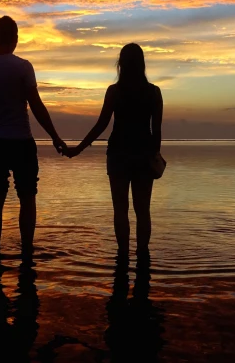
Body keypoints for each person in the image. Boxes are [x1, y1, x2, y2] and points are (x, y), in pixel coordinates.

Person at [0, 16, 66, 253]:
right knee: (27, 197)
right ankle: (27, 250)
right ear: (16, 38)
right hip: (21, 142)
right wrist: (55, 136)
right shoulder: (23, 67)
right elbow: (36, 105)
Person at [66, 43, 163, 254]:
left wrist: (78, 149)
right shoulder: (154, 92)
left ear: (121, 64)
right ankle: (142, 256)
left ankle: (123, 256)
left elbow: (101, 125)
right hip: (144, 155)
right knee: (142, 210)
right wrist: (155, 158)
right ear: (142, 64)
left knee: (120, 210)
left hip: (118, 155)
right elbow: (156, 131)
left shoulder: (114, 91)